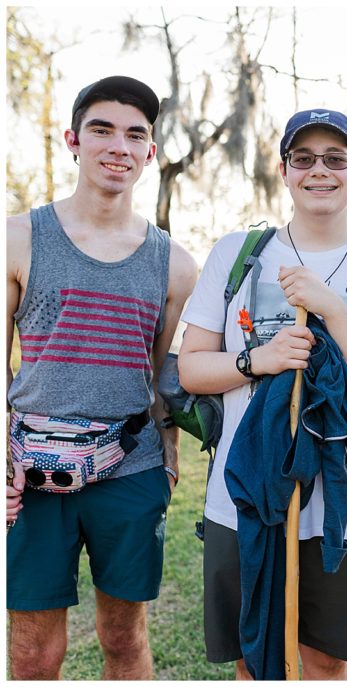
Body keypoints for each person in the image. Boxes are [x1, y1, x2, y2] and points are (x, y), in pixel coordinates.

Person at [177, 108, 347, 680]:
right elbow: (191, 370)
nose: (320, 171)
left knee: (325, 662)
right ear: (284, 170)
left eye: (335, 159)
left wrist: (332, 308)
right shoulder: (237, 253)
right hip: (243, 496)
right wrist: (257, 360)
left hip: (341, 506)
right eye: (304, 158)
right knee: (252, 655)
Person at [6, 75, 197, 680]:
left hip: (130, 471)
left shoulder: (176, 264)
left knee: (123, 637)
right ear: (73, 140)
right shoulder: (17, 238)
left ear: (151, 153)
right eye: (102, 129)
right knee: (33, 651)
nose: (119, 145)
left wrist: (167, 460)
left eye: (135, 134)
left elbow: (167, 379)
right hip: (30, 473)